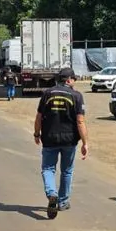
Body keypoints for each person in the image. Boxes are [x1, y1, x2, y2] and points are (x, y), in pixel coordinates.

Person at [33, 68, 89, 218]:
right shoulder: (76, 96)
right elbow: (80, 121)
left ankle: (52, 193)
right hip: (69, 140)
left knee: (48, 169)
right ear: (69, 80)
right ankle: (63, 201)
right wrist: (85, 143)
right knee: (67, 170)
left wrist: (37, 133)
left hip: (49, 138)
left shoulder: (47, 93)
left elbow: (39, 117)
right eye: (74, 79)